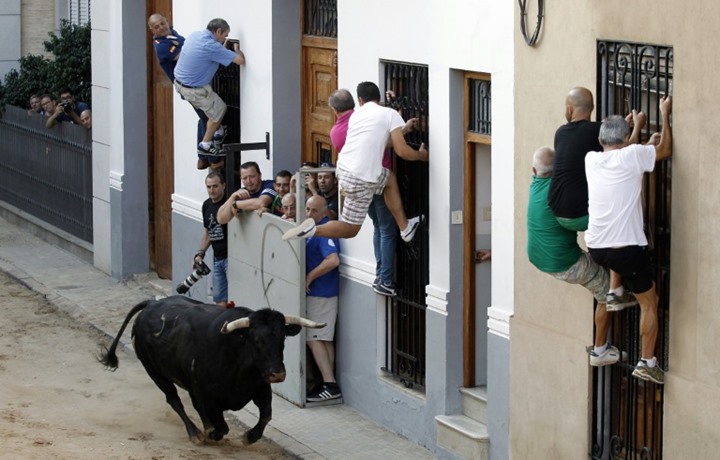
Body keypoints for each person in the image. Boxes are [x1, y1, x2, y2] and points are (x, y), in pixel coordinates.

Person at [585, 96, 673, 384]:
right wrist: (664, 114)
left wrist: (635, 132)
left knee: (614, 253)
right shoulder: (631, 154)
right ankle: (648, 362)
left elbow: (627, 152)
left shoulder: (591, 160)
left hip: (596, 247)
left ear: (600, 139)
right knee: (650, 302)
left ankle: (615, 291)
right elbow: (664, 150)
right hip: (626, 250)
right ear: (624, 138)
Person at [283, 82, 428, 249]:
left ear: (360, 101)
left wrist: (402, 129)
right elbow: (401, 151)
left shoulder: (356, 116)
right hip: (362, 176)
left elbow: (381, 139)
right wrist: (421, 156)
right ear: (379, 97)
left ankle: (405, 227)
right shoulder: (390, 114)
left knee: (387, 180)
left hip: (344, 171)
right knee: (351, 229)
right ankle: (405, 227)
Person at [548, 87, 644, 311]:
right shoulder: (595, 134)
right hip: (579, 215)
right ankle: (615, 291)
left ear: (569, 109)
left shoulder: (560, 132)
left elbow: (590, 134)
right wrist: (635, 126)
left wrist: (619, 127)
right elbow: (624, 152)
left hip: (557, 210)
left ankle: (613, 287)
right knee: (617, 225)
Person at [526, 146, 616, 367]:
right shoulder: (557, 193)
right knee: (609, 295)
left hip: (538, 256)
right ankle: (600, 351)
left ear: (534, 169)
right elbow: (576, 222)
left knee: (601, 266)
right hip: (565, 263)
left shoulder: (535, 181)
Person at [173, 18, 245, 167]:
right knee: (219, 110)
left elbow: (209, 54)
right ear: (218, 31)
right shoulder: (212, 46)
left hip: (181, 83)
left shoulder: (195, 35)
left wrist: (222, 49)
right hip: (195, 90)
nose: (225, 38)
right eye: (224, 35)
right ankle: (205, 145)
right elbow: (240, 61)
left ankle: (216, 136)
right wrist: (237, 50)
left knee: (206, 116)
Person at [147, 13, 214, 170]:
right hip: (189, 87)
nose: (161, 27)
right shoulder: (161, 45)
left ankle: (203, 158)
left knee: (204, 117)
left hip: (197, 84)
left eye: (162, 23)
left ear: (167, 21)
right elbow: (186, 56)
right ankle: (210, 158)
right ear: (152, 30)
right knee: (208, 118)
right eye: (157, 26)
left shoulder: (174, 35)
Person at [303, 195, 342, 402]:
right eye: (307, 209)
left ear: (325, 212)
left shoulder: (324, 230)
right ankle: (328, 382)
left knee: (314, 339)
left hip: (321, 293)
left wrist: (310, 276)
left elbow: (333, 260)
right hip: (321, 292)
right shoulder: (314, 228)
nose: (309, 214)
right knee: (323, 339)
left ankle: (330, 383)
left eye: (314, 211)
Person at [194, 172, 229, 307]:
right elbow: (208, 232)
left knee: (235, 297)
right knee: (220, 300)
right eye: (209, 187)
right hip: (217, 258)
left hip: (230, 258)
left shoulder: (228, 203)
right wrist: (200, 253)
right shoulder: (206, 205)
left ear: (223, 185)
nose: (212, 190)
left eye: (215, 186)